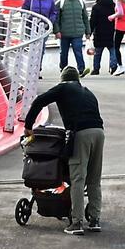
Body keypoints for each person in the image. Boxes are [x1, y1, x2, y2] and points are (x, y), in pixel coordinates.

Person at [23, 66, 105, 235]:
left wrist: (28, 126)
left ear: (63, 79)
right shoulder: (87, 91)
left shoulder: (63, 88)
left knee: (78, 178)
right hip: (99, 132)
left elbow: (39, 101)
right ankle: (95, 219)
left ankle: (76, 223)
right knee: (94, 178)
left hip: (81, 134)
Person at [54, 0, 89, 74]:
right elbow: (55, 19)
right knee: (63, 53)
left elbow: (85, 17)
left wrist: (88, 32)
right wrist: (57, 31)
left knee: (78, 52)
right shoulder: (60, 3)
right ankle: (63, 70)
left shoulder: (80, 2)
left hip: (77, 33)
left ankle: (81, 70)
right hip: (64, 34)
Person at [89, 0, 118, 76]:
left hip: (99, 32)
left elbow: (92, 20)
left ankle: (96, 69)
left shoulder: (96, 6)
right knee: (112, 50)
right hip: (111, 32)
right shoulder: (113, 5)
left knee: (97, 52)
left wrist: (89, 32)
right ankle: (113, 67)